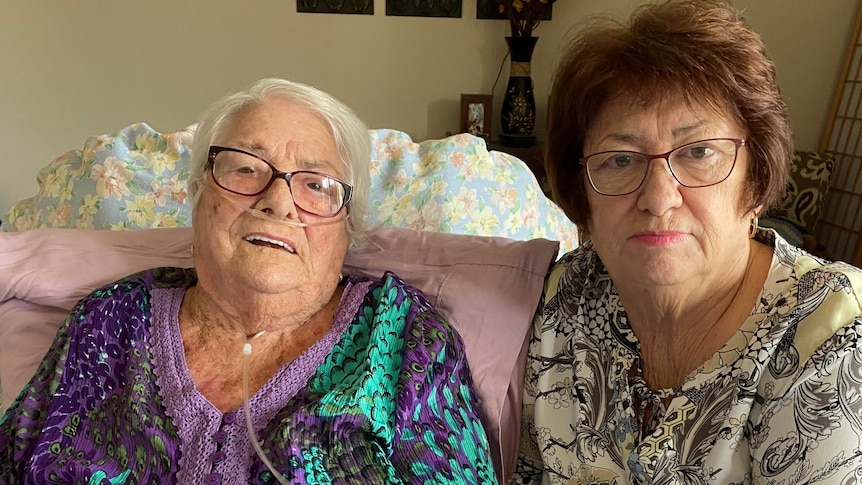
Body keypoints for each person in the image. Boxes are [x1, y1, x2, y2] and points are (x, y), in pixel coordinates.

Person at [0, 78, 498, 484]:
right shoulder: (109, 320)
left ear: (348, 228)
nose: (278, 202)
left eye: (316, 185)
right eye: (245, 168)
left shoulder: (404, 340)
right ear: (198, 197)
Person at [512, 1, 862, 483]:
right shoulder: (561, 297)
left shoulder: (834, 339)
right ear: (581, 192)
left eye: (698, 152)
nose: (658, 198)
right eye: (620, 159)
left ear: (755, 178)